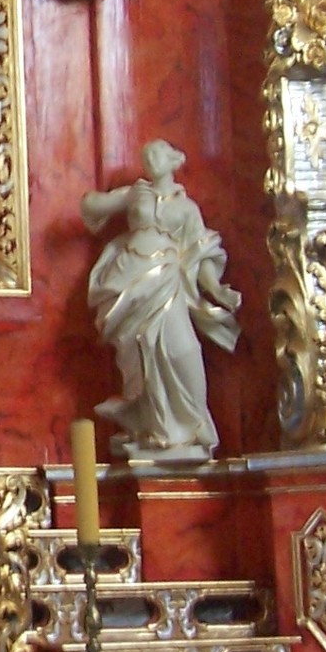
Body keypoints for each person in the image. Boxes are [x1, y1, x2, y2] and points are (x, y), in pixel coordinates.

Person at [80, 140, 241, 460]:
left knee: (184, 349)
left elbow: (200, 250)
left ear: (172, 160)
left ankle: (193, 427)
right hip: (130, 278)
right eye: (146, 156)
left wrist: (217, 289)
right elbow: (90, 206)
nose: (150, 160)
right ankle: (153, 430)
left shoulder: (187, 208)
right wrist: (120, 199)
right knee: (139, 352)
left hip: (167, 280)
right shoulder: (137, 194)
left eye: (156, 154)